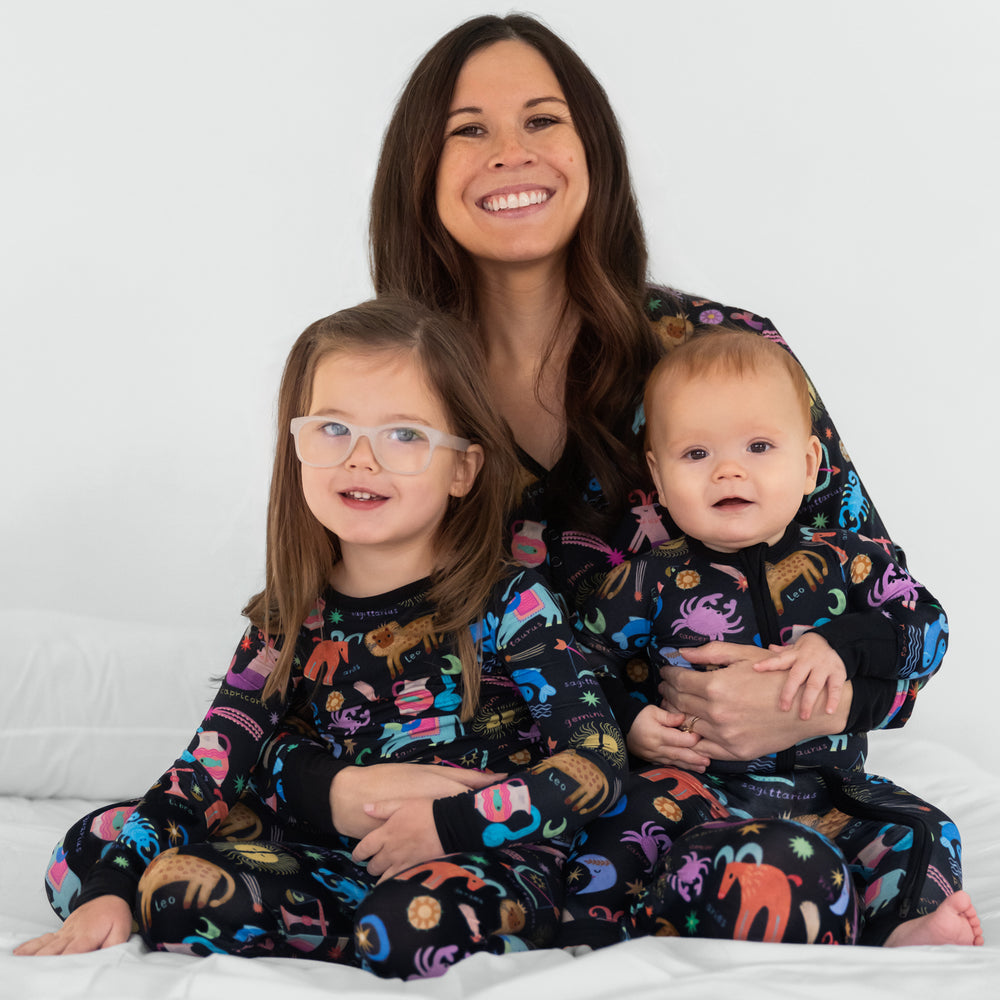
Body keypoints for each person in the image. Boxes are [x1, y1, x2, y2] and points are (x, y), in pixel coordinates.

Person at [305, 11, 959, 946]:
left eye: (542, 119)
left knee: (884, 851)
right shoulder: (388, 393)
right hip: (530, 802)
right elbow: (337, 642)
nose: (508, 153)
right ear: (418, 167)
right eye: (467, 129)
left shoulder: (723, 356)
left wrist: (812, 701)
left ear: (594, 149)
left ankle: (877, 919)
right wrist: (340, 788)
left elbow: (892, 606)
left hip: (796, 778)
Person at [14, 297, 637, 977]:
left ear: (462, 468)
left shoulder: (512, 600)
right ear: (298, 446)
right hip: (333, 854)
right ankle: (331, 920)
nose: (361, 460)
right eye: (333, 428)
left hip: (475, 854)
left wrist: (451, 824)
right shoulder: (289, 619)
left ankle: (381, 924)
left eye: (404, 436)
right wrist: (108, 892)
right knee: (87, 854)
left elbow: (596, 765)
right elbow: (209, 767)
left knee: (408, 924)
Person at [572, 328, 982, 947]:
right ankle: (595, 927)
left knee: (923, 828)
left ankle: (902, 927)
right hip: (697, 788)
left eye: (759, 446)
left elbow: (928, 627)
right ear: (657, 477)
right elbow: (579, 669)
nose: (729, 470)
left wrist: (841, 647)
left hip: (831, 789)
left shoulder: (852, 561)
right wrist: (630, 721)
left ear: (812, 463)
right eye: (696, 454)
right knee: (627, 814)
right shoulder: (645, 582)